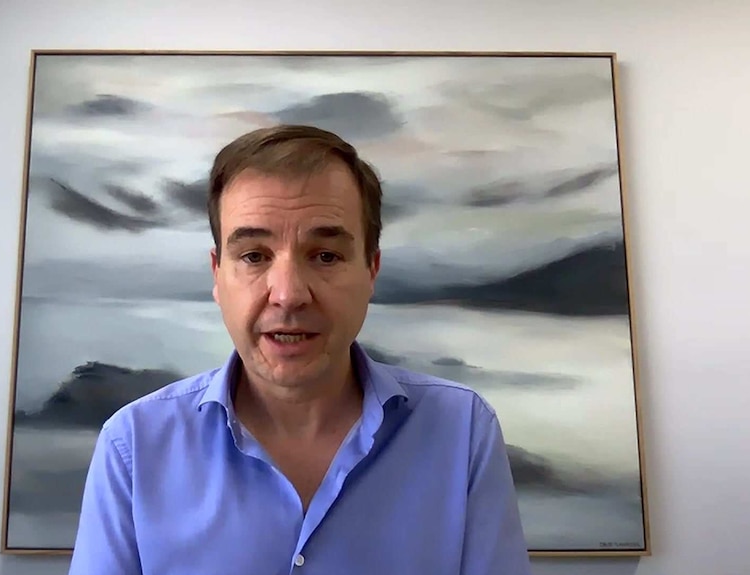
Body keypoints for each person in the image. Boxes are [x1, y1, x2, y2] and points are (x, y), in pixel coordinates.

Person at [68, 124, 533, 575]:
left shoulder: (462, 431)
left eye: (325, 256)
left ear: (371, 270)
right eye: (254, 256)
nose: (288, 294)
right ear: (217, 274)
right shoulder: (134, 445)